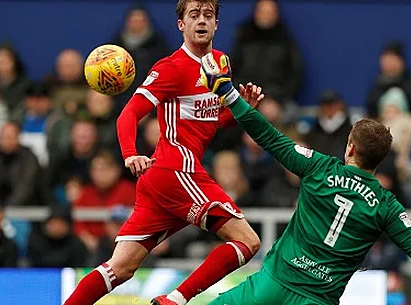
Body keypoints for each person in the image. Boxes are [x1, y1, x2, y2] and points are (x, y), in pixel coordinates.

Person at [198, 53, 411, 305]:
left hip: (271, 286)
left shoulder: (320, 168)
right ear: (380, 161)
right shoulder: (386, 205)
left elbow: (268, 135)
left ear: (350, 147)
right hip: (317, 299)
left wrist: (227, 92)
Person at [63, 1, 263, 305]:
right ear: (181, 24)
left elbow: (208, 124)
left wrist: (239, 110)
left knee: (121, 267)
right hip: (176, 170)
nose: (201, 21)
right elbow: (127, 115)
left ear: (217, 24)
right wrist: (130, 154)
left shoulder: (221, 64)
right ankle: (174, 300)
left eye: (208, 15)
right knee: (248, 241)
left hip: (167, 179)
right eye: (193, 15)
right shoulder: (170, 68)